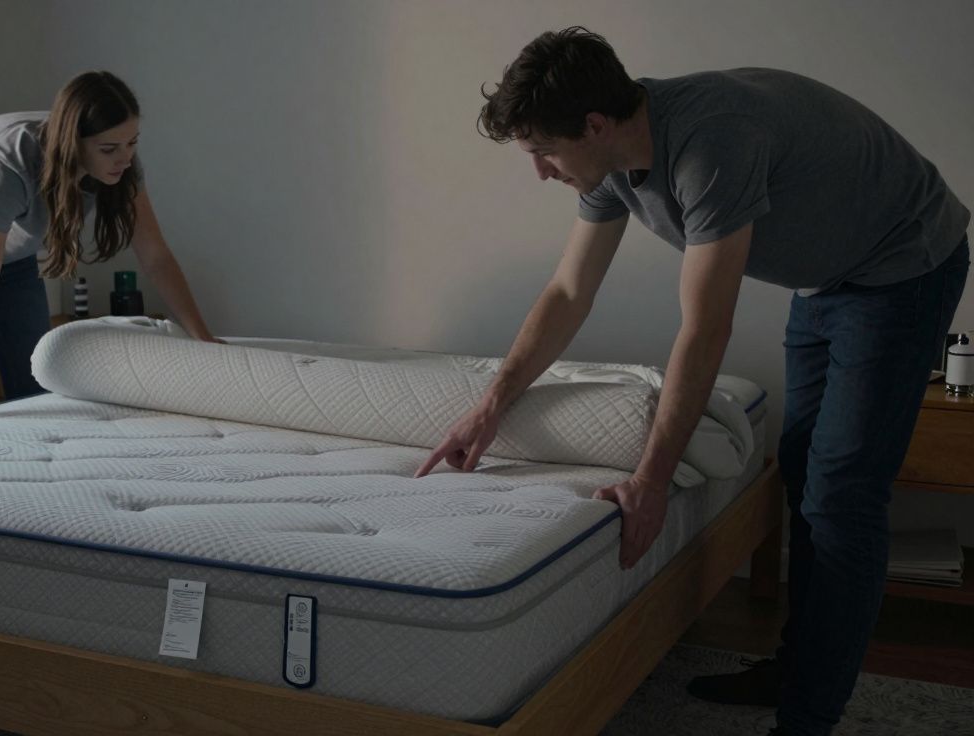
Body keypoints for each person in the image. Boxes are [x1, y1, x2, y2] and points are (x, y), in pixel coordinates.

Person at [415, 27, 969, 736]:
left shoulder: (710, 146)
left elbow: (705, 329)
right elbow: (567, 293)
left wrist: (650, 479)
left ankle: (808, 717)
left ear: (593, 124)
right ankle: (798, 668)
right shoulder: (612, 158)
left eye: (544, 153)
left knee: (842, 494)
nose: (542, 174)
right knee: (804, 468)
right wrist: (490, 406)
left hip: (905, 264)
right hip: (826, 279)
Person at [0, 71, 219, 422]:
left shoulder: (122, 164)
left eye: (132, 143)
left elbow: (155, 256)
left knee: (37, 390)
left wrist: (203, 338)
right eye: (109, 148)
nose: (125, 158)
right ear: (73, 143)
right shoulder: (7, 164)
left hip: (14, 257)